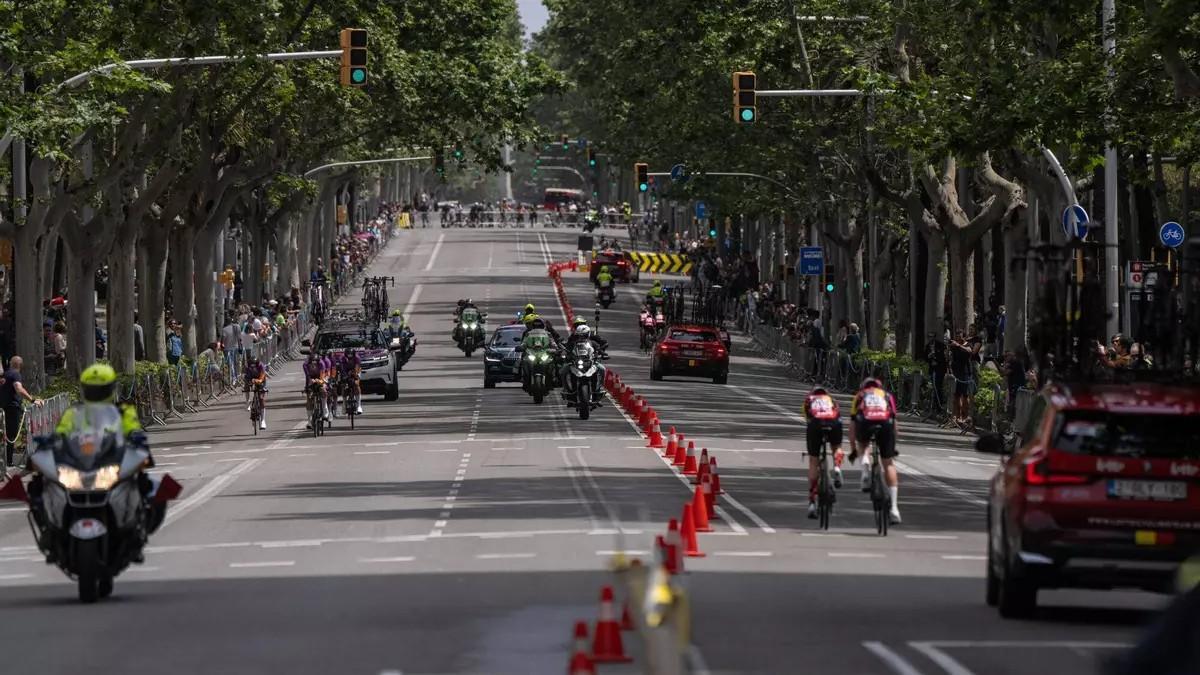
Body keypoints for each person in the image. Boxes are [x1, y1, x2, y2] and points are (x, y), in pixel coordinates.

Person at [848, 377, 902, 525]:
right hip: (885, 424)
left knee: (863, 445)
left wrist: (854, 449)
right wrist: (893, 447)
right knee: (889, 464)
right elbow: (895, 424)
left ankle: (865, 469)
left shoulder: (859, 396)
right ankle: (895, 509)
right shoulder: (887, 396)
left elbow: (852, 427)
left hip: (865, 423)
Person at [804, 386, 844, 519]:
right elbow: (838, 414)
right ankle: (837, 468)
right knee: (836, 446)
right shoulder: (832, 399)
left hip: (816, 424)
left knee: (813, 460)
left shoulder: (809, 399)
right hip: (834, 424)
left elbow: (807, 419)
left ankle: (811, 502)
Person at [1, 356, 42, 467]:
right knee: (11, 435)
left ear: (10, 363)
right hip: (12, 409)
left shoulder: (5, 375)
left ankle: (5, 461)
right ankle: (9, 462)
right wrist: (32, 400)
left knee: (5, 435)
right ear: (20, 365)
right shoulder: (15, 374)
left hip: (3, 408)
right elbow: (18, 389)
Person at [302, 352, 327, 430]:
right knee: (309, 399)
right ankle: (309, 420)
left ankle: (324, 409)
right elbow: (307, 375)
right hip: (310, 380)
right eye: (312, 363)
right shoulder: (305, 364)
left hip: (320, 378)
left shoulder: (322, 363)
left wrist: (319, 381)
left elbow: (322, 375)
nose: (313, 365)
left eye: (315, 363)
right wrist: (310, 381)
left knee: (323, 390)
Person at [243, 353, 268, 430]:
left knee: (261, 398)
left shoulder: (261, 365)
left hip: (260, 379)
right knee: (246, 387)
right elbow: (246, 377)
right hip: (251, 378)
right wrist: (248, 383)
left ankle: (263, 420)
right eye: (251, 365)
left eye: (254, 365)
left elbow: (263, 375)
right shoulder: (247, 367)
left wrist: (259, 380)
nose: (253, 366)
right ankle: (248, 402)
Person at [338, 346, 363, 415]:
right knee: (343, 385)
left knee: (356, 383)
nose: (350, 358)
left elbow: (357, 367)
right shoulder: (342, 358)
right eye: (348, 357)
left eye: (351, 357)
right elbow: (342, 368)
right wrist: (345, 376)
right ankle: (344, 403)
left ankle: (359, 405)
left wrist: (355, 375)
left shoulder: (357, 358)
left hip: (355, 370)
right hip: (345, 371)